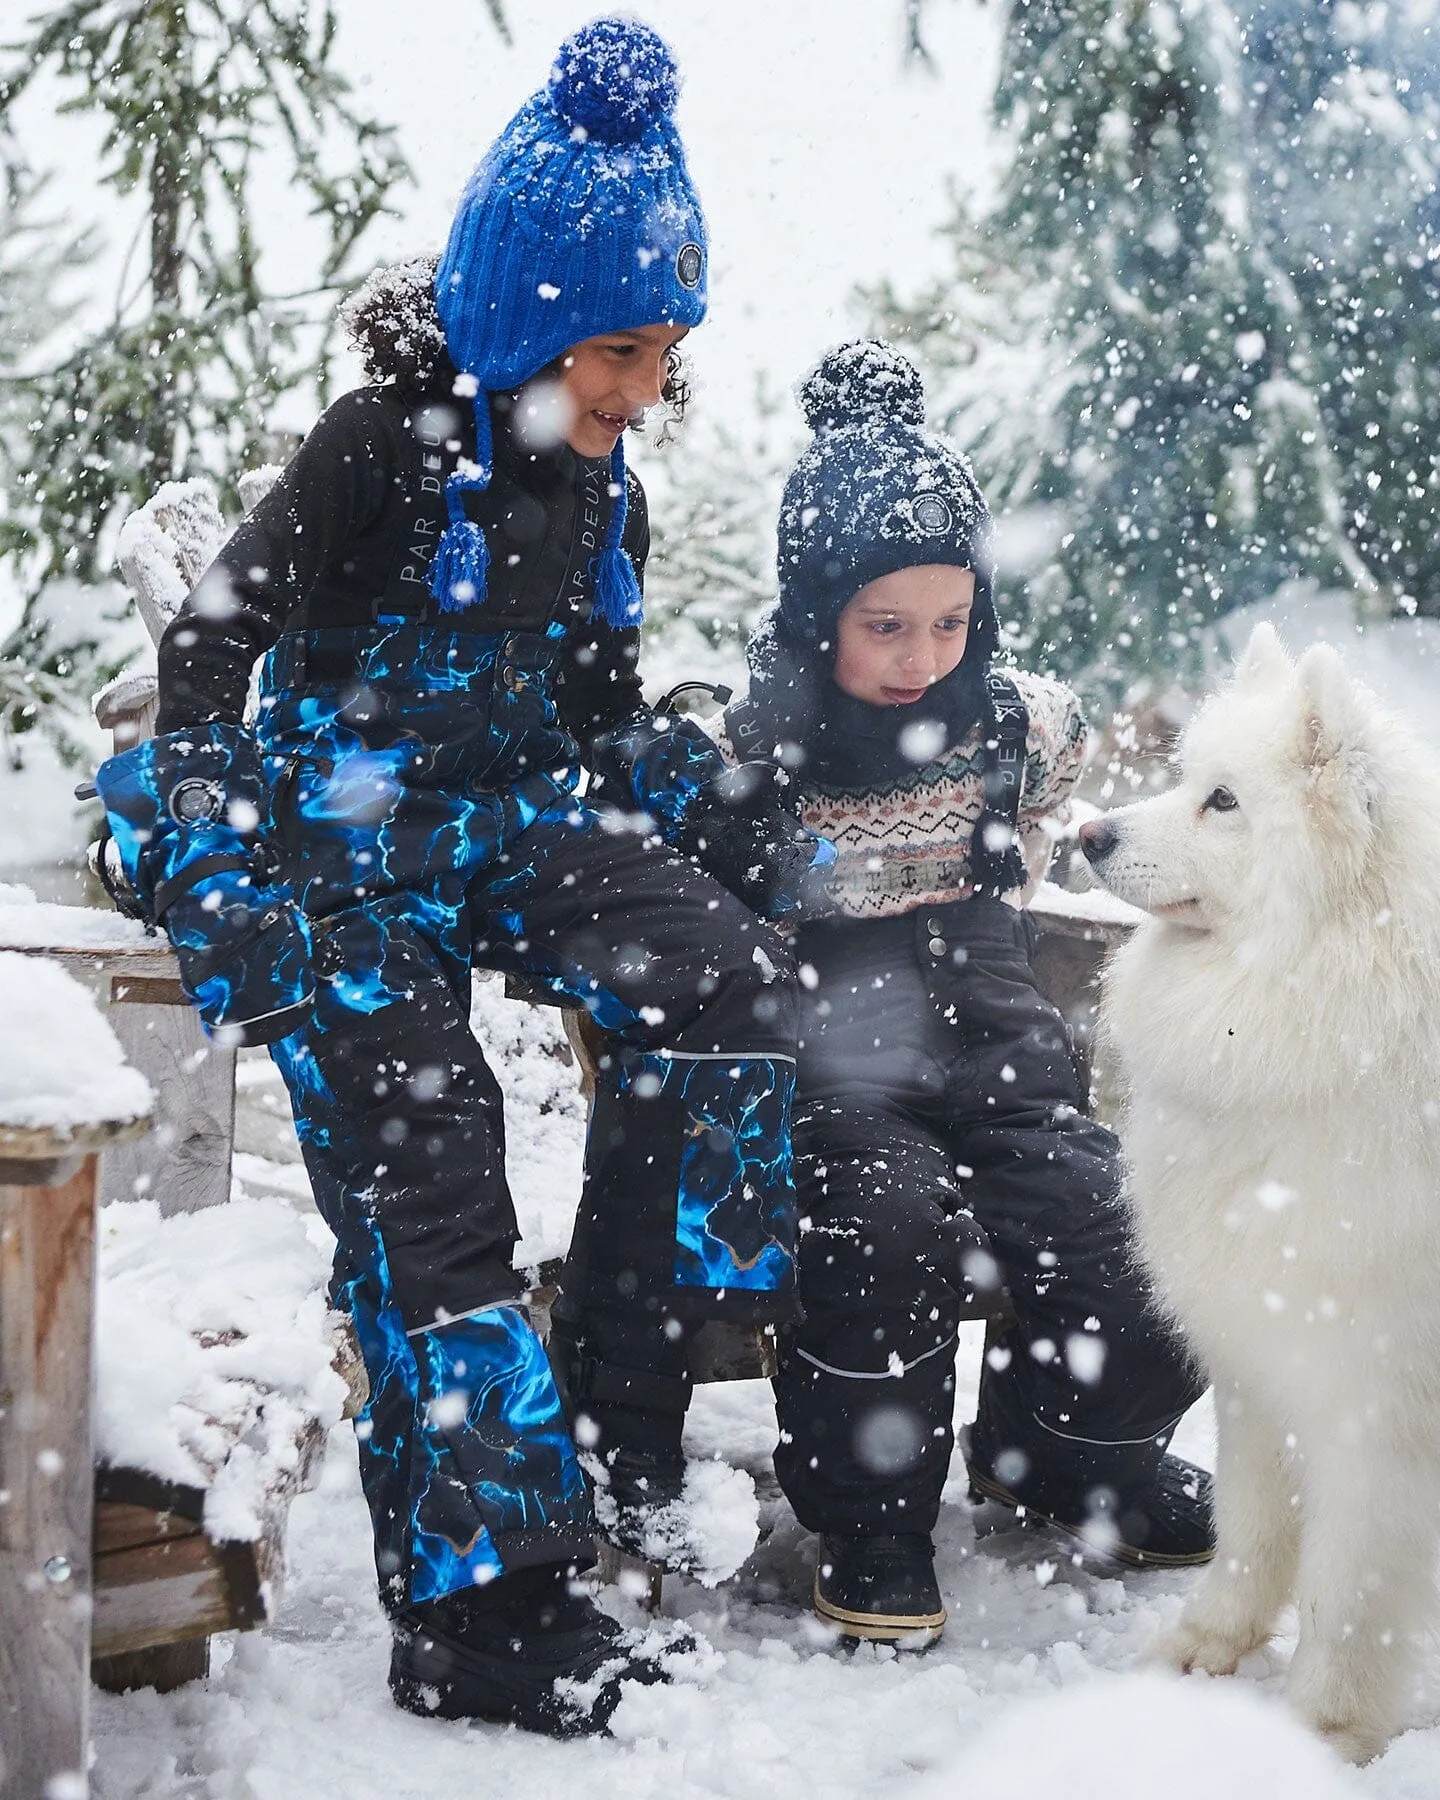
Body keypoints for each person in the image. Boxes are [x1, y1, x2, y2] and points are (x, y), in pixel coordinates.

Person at [94, 18, 829, 1737]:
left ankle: (623, 1402)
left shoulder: (597, 486)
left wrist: (698, 786)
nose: (645, 390)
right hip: (346, 848)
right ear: (525, 319)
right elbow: (214, 651)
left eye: (663, 353)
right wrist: (210, 838)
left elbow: (590, 707)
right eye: (620, 352)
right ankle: (478, 1601)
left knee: (726, 987)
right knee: (433, 1164)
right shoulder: (379, 448)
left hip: (509, 825)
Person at [720, 340, 1213, 1649]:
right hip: (843, 1075)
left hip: (1003, 1055)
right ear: (816, 615)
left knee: (1128, 1226)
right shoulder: (769, 744)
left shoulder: (1013, 722)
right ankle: (873, 1518)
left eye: (951, 622)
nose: (920, 657)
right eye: (884, 625)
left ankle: (1061, 1452)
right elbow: (706, 892)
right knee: (883, 1230)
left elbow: (1058, 821)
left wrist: (1038, 841)